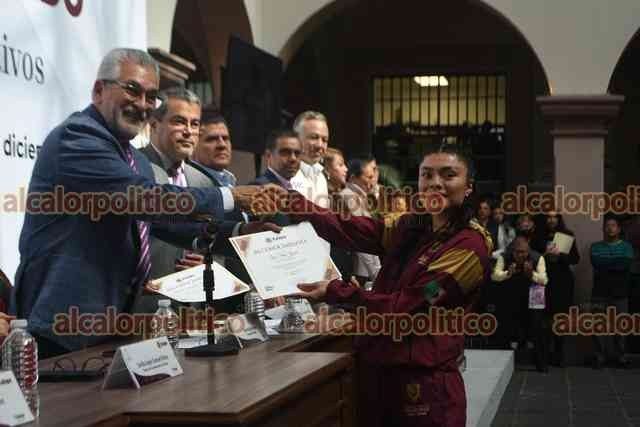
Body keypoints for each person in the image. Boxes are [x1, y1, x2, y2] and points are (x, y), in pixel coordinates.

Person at [11, 48, 283, 357]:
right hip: (61, 325)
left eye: (151, 96)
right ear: (99, 90)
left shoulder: (134, 160)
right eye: (132, 90)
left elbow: (164, 223)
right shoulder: (77, 138)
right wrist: (231, 196)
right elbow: (147, 200)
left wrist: (239, 233)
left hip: (115, 324)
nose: (142, 104)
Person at [290, 145, 492, 427]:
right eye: (426, 175)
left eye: (448, 175)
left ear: (468, 186)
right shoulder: (414, 225)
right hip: (380, 373)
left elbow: (409, 306)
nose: (435, 183)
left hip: (424, 386)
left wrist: (336, 291)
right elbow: (355, 229)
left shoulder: (469, 247)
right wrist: (294, 203)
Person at [492, 235, 549, 371]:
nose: (520, 255)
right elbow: (494, 276)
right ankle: (502, 364)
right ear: (512, 251)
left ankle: (541, 364)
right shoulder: (504, 257)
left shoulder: (538, 258)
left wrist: (532, 275)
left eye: (523, 252)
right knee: (505, 327)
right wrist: (507, 273)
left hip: (534, 295)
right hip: (512, 294)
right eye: (517, 252)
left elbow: (544, 280)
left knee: (536, 329)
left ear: (528, 251)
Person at [590, 215, 634, 369]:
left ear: (619, 229)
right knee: (598, 325)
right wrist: (615, 262)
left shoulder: (627, 247)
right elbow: (597, 263)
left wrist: (607, 264)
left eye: (613, 225)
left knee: (621, 325)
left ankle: (620, 356)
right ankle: (600, 357)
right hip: (599, 292)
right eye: (607, 226)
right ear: (603, 229)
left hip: (620, 292)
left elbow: (624, 265)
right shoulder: (595, 247)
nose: (610, 228)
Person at [536, 210, 579, 367]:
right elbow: (531, 256)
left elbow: (575, 258)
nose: (551, 219)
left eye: (555, 217)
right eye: (549, 216)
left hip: (562, 282)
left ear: (559, 219)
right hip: (543, 280)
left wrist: (560, 255)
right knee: (544, 320)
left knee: (560, 318)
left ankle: (559, 354)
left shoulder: (566, 235)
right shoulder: (538, 235)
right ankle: (544, 355)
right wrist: (544, 254)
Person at [340, 158, 382, 284]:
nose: (372, 181)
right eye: (369, 177)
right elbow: (362, 236)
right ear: (353, 178)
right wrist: (376, 273)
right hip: (361, 270)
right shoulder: (348, 196)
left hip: (367, 267)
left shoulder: (359, 196)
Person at [290, 111, 330, 208]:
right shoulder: (283, 176)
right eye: (314, 137)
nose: (320, 145)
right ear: (296, 138)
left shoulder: (321, 177)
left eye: (324, 140)